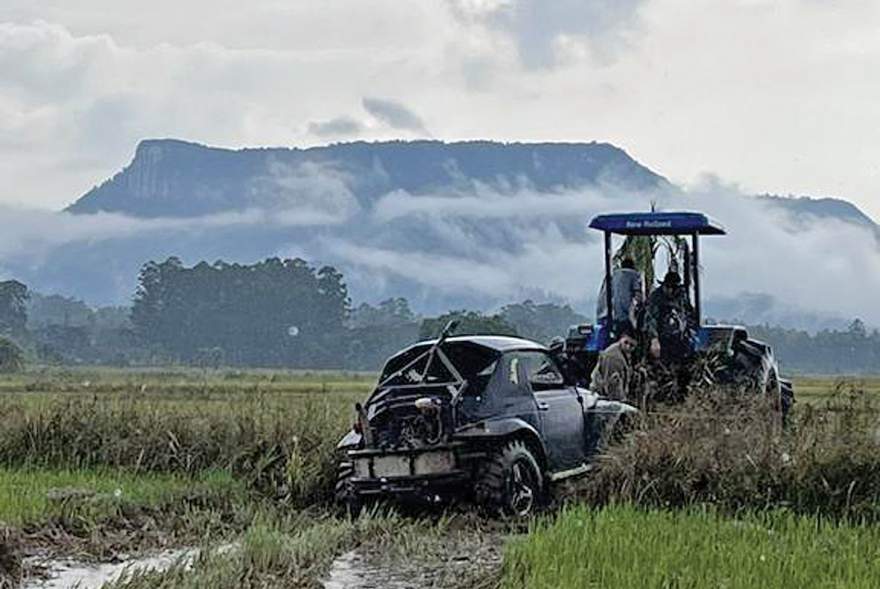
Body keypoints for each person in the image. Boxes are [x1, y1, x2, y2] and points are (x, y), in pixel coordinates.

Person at [645, 270, 696, 362]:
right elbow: (650, 319)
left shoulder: (682, 296)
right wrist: (654, 339)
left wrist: (689, 331)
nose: (670, 290)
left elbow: (689, 313)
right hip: (662, 339)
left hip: (680, 339)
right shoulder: (656, 297)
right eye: (668, 287)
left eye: (674, 288)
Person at [596, 257, 645, 336]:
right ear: (633, 266)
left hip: (605, 315)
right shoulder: (634, 275)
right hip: (623, 316)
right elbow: (637, 296)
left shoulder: (612, 275)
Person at [589, 327, 637, 401]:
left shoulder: (626, 354)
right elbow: (612, 385)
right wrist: (623, 401)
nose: (628, 347)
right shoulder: (613, 357)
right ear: (621, 339)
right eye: (626, 342)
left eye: (631, 345)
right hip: (603, 397)